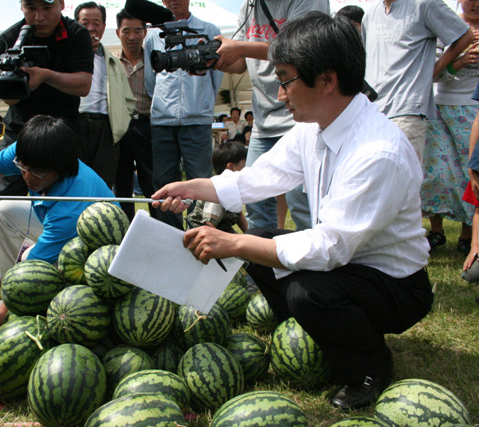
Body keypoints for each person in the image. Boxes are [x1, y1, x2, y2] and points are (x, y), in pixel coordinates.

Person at [153, 12, 433, 410]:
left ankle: (369, 368)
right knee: (261, 248)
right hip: (351, 265)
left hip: (396, 285)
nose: (280, 94)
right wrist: (190, 186)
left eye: (285, 79)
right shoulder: (314, 127)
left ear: (327, 80)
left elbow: (329, 248)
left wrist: (233, 242)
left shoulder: (377, 152)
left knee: (306, 291)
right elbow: (260, 178)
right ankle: (313, 338)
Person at [0, 115, 114, 352]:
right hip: (63, 227)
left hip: (99, 257)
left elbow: (29, 275)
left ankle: (22, 305)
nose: (27, 176)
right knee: (3, 211)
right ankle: (12, 300)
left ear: (60, 168)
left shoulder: (70, 210)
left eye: (37, 172)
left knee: (29, 261)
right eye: (23, 167)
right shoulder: (30, 152)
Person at [0, 0, 94, 291]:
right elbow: (8, 96)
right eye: (31, 7)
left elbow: (83, 84)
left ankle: (58, 266)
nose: (39, 17)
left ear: (62, 4)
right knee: (8, 195)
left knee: (61, 200)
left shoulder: (76, 34)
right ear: (21, 6)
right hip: (21, 131)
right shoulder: (13, 36)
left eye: (47, 7)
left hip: (61, 134)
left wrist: (44, 76)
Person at [212, 0, 329, 232]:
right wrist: (212, 59)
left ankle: (318, 260)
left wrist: (240, 47)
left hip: (301, 116)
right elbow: (240, 64)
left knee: (302, 201)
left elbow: (301, 47)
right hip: (263, 120)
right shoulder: (250, 6)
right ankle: (264, 262)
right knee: (256, 201)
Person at [144, 0, 224, 230]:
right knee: (163, 184)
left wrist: (201, 102)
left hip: (197, 119)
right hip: (162, 120)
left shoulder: (208, 30)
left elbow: (215, 77)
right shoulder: (153, 34)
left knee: (200, 179)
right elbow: (152, 80)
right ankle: (169, 235)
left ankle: (201, 233)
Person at [361, 0, 473, 162]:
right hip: (373, 113)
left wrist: (433, 69)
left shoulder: (424, 4)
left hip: (408, 111)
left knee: (403, 179)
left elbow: (465, 36)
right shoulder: (370, 16)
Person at [421, 0, 479, 254]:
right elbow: (428, 72)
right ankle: (437, 230)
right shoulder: (445, 25)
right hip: (439, 106)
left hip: (472, 109)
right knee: (437, 170)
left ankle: (468, 233)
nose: (475, 4)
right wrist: (460, 60)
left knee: (470, 171)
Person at [74, 2, 135, 188]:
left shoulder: (113, 61)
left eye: (96, 22)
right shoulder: (69, 54)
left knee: (102, 184)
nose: (91, 28)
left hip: (106, 129)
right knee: (72, 180)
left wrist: (118, 125)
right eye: (85, 22)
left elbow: (128, 101)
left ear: (103, 26)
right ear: (76, 24)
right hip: (74, 125)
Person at [113, 9, 154, 221]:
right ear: (118, 32)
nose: (132, 37)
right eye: (126, 31)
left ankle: (158, 228)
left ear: (145, 32)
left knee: (152, 184)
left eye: (137, 31)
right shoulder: (112, 62)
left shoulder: (154, 60)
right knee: (122, 185)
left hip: (147, 127)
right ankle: (125, 231)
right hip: (120, 129)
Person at [186, 141, 248, 233]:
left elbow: (239, 215)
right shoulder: (218, 190)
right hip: (201, 231)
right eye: (244, 166)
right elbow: (209, 225)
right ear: (231, 167)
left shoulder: (233, 188)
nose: (247, 170)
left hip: (221, 228)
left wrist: (251, 236)